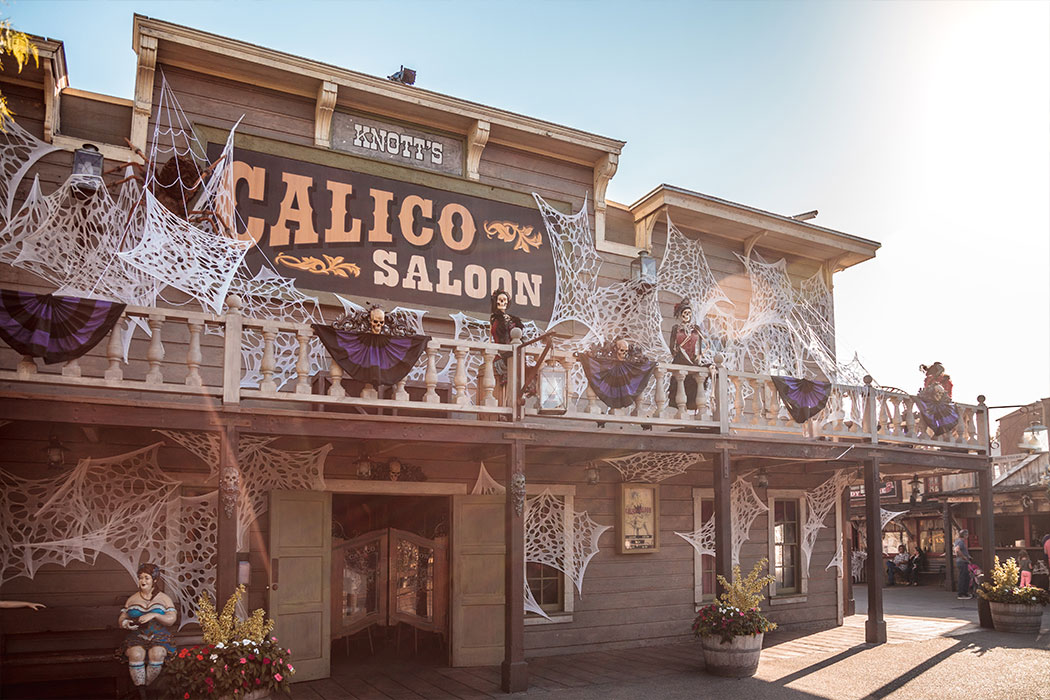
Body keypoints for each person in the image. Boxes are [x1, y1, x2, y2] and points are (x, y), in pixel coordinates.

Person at [118, 563, 177, 699]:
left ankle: (143, 690)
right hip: (137, 636)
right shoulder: (133, 599)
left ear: (154, 580)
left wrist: (155, 615)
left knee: (156, 653)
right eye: (140, 578)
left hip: (159, 637)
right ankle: (142, 693)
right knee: (136, 653)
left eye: (147, 578)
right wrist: (126, 623)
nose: (143, 581)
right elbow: (123, 617)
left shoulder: (163, 598)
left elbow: (171, 619)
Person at [668, 299, 703, 410]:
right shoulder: (676, 328)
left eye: (689, 313)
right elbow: (672, 348)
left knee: (693, 385)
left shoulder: (696, 329)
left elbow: (700, 346)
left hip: (693, 361)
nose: (687, 316)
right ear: (680, 314)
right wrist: (677, 350)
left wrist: (699, 355)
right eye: (685, 313)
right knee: (680, 386)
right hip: (681, 359)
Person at [954, 529, 972, 599]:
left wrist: (968, 556)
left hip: (961, 561)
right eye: (967, 534)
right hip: (962, 562)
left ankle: (964, 592)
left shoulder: (957, 541)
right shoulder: (960, 542)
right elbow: (957, 550)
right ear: (964, 535)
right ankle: (961, 593)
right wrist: (964, 557)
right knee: (963, 577)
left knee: (965, 577)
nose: (967, 536)